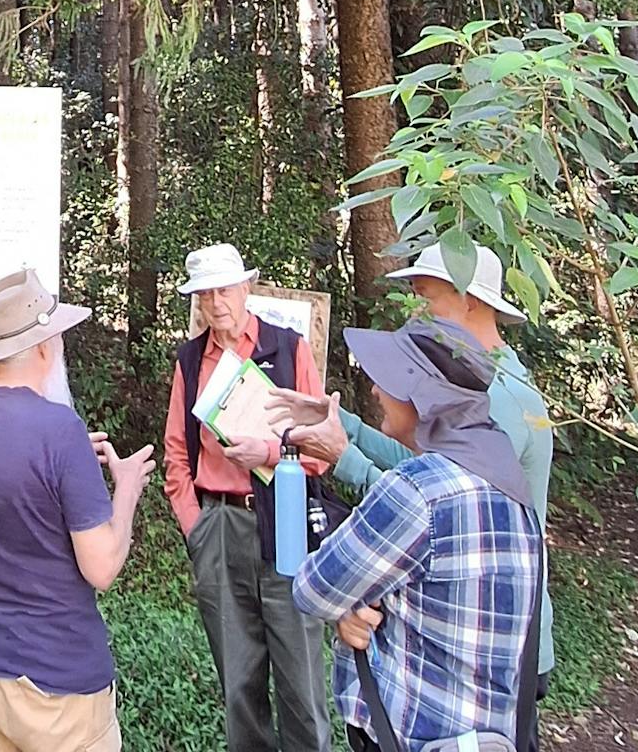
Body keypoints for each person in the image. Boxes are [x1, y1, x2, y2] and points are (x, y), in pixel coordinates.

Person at [265, 241, 556, 679]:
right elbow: (419, 459)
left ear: (469, 300)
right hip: (458, 623)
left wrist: (345, 457)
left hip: (495, 637)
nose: (414, 312)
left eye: (425, 298)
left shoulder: (502, 397)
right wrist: (338, 420)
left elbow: (437, 504)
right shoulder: (480, 383)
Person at [0, 267, 156, 752]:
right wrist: (127, 487)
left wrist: (68, 468)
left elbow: (5, 476)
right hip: (56, 685)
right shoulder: (58, 430)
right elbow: (102, 568)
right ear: (47, 348)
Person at [291, 319, 544, 752]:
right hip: (490, 737)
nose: (374, 391)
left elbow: (314, 589)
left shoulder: (417, 491)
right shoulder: (509, 482)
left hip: (412, 736)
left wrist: (358, 605)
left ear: (422, 396)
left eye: (387, 380)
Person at [161, 244, 333, 752]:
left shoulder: (288, 348)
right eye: (205, 293)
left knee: (302, 685)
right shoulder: (190, 361)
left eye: (225, 290)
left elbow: (323, 446)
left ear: (246, 289)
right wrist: (196, 526)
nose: (217, 303)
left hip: (286, 521)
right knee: (239, 687)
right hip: (220, 527)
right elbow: (176, 453)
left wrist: (273, 450)